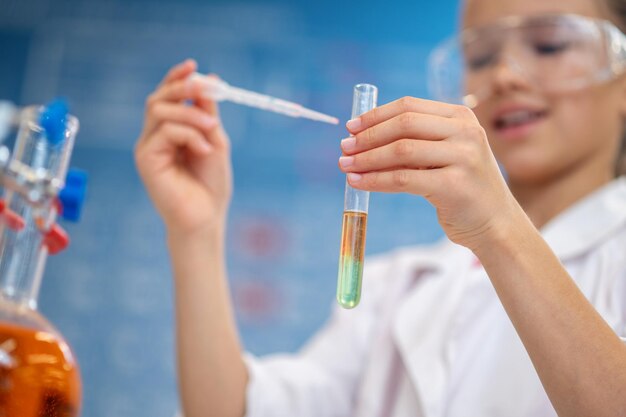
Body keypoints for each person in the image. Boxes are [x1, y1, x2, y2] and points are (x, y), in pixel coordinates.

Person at [134, 0, 626, 415]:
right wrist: (195, 233)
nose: (503, 75)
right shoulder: (403, 287)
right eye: (479, 57)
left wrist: (499, 227)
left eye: (550, 45)